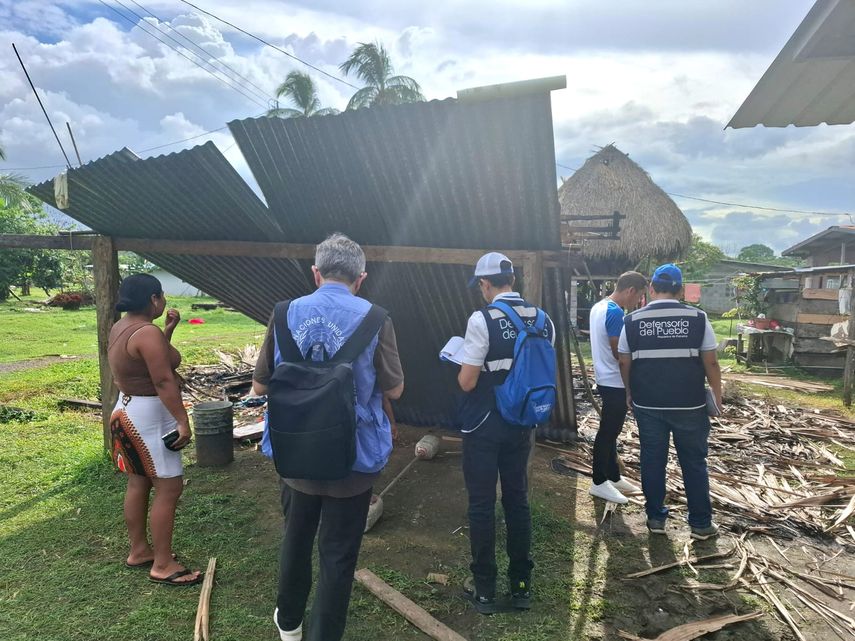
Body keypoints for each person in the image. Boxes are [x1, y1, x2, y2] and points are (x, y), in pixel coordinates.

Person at [252, 233, 404, 641]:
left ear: (316, 273)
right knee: (337, 555)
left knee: (296, 539)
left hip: (295, 453)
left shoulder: (284, 313)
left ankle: (289, 625)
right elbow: (393, 391)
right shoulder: (377, 318)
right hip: (352, 459)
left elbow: (262, 385)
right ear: (361, 278)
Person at [457, 252, 555, 614]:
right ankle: (521, 586)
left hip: (484, 424)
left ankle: (484, 590)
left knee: (481, 505)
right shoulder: (544, 320)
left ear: (485, 284)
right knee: (517, 501)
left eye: (480, 286)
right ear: (512, 281)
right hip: (521, 424)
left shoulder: (482, 320)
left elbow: (467, 383)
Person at [107, 273, 202, 586]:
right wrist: (182, 420)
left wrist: (167, 332)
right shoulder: (146, 334)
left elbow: (151, 363)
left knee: (139, 482)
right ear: (153, 299)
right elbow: (162, 380)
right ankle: (162, 563)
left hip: (126, 409)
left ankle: (139, 550)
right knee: (169, 487)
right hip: (149, 417)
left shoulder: (122, 327)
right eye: (161, 296)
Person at [617, 264, 722, 540]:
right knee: (694, 462)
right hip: (690, 405)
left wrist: (629, 391)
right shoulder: (698, 318)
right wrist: (717, 393)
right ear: (680, 289)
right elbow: (710, 361)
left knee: (652, 460)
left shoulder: (632, 320)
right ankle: (700, 524)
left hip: (648, 404)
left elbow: (624, 361)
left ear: (651, 289)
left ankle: (655, 519)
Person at [588, 272, 647, 504]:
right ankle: (599, 481)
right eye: (640, 296)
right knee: (608, 432)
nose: (638, 302)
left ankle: (612, 475)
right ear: (630, 290)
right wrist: (631, 381)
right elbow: (619, 353)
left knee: (611, 431)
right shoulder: (614, 312)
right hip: (615, 381)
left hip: (604, 377)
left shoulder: (599, 307)